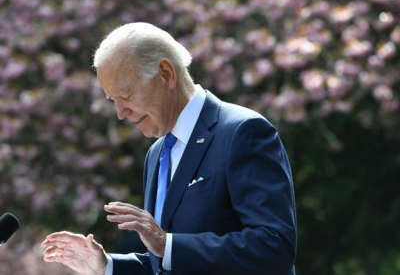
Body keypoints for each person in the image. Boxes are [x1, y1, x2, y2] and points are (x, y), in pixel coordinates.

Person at [41, 22, 297, 275]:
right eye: (113, 100)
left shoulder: (243, 132)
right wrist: (107, 266)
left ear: (166, 74)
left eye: (126, 95)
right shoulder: (156, 153)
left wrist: (166, 244)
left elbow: (274, 248)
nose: (120, 113)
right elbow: (165, 264)